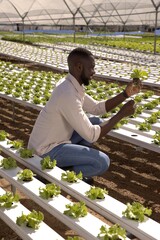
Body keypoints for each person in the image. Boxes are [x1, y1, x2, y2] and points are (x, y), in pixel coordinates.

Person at [28, 47, 141, 184]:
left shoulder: (69, 85)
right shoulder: (67, 94)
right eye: (91, 68)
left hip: (56, 140)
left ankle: (66, 165)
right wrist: (121, 114)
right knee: (102, 162)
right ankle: (50, 174)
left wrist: (125, 94)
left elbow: (96, 108)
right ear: (79, 67)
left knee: (95, 120)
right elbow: (91, 135)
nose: (94, 72)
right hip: (45, 151)